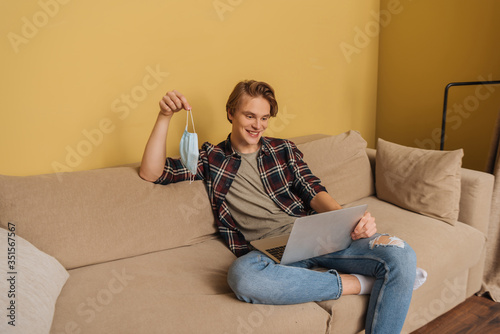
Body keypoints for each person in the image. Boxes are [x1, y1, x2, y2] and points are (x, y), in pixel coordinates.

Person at [139, 80, 424, 333]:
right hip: (271, 250)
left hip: (314, 233)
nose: (257, 125)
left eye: (264, 118)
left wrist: (349, 220)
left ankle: (378, 277)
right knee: (243, 277)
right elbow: (152, 173)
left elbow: (312, 189)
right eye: (249, 115)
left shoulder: (282, 149)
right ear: (231, 113)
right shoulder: (211, 158)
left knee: (401, 254)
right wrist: (165, 116)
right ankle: (362, 284)